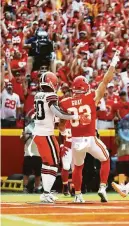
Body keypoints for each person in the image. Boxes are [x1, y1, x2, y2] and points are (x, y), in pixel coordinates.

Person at [59, 52, 120, 203]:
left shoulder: (65, 102)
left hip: (75, 140)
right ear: (85, 87)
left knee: (77, 168)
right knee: (105, 159)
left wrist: (63, 131)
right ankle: (102, 187)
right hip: (90, 138)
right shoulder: (91, 96)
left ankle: (78, 195)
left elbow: (60, 125)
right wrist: (114, 61)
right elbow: (106, 80)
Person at [31, 72, 80, 203]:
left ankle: (46, 192)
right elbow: (57, 112)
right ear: (51, 82)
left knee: (47, 163)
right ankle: (46, 193)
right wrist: (72, 116)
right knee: (53, 163)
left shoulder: (38, 95)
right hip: (45, 134)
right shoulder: (51, 95)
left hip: (37, 133)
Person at [21, 121, 42, 193]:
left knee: (38, 174)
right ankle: (25, 188)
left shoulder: (41, 129)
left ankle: (36, 188)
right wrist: (25, 135)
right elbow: (22, 139)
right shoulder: (27, 128)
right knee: (26, 173)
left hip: (38, 154)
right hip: (28, 154)